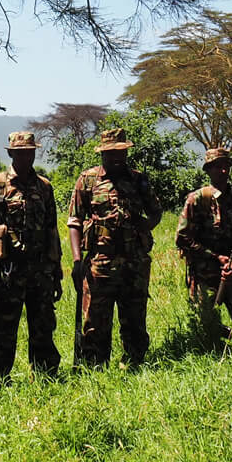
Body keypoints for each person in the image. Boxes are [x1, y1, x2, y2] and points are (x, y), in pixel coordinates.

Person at [67, 127, 165, 368]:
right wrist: (77, 259)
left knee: (134, 315)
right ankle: (95, 367)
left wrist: (145, 225)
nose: (116, 157)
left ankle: (134, 362)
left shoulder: (139, 179)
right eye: (110, 153)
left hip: (134, 261)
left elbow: (156, 212)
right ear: (102, 153)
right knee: (96, 319)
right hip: (100, 261)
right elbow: (74, 221)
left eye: (120, 152)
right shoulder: (88, 179)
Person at [0, 131, 62, 379]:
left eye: (29, 152)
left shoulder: (44, 186)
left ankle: (46, 377)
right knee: (2, 328)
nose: (25, 157)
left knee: (43, 326)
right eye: (19, 153)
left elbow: (52, 229)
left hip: (40, 270)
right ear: (10, 153)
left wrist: (56, 270)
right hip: (7, 272)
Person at [176, 147, 232, 355]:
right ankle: (218, 356)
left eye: (226, 167)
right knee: (205, 323)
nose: (222, 171)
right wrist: (214, 257)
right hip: (204, 272)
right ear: (208, 170)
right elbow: (182, 238)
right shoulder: (196, 199)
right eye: (217, 167)